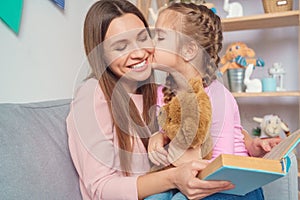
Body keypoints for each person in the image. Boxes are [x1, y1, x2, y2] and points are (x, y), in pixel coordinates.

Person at [66, 1, 236, 199]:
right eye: (121, 47)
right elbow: (100, 187)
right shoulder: (93, 94)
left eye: (144, 38)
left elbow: (210, 125)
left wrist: (249, 143)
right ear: (101, 56)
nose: (138, 53)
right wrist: (173, 178)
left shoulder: (158, 92)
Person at [146, 2, 281, 199]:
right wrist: (159, 137)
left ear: (189, 50)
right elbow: (173, 135)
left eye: (159, 37)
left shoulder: (218, 96)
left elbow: (221, 166)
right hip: (189, 176)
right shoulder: (161, 94)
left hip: (231, 184)